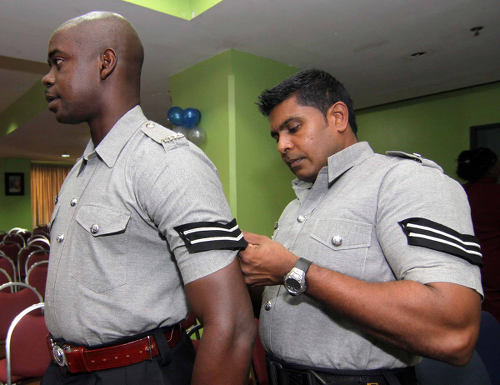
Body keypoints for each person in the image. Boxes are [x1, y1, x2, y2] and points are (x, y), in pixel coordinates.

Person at [41, 11, 255, 385]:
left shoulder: (166, 161)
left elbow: (232, 325)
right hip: (63, 371)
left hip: (136, 372)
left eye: (58, 63)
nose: (47, 77)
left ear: (105, 63)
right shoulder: (81, 170)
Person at [239, 69, 483, 385]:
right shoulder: (296, 205)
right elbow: (293, 304)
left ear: (338, 117)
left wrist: (294, 270)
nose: (282, 145)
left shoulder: (405, 181)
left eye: (293, 128)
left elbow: (455, 332)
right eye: (276, 136)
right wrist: (245, 270)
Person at [457, 147, 500, 322]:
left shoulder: (458, 193)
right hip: (495, 266)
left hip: (466, 264)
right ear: (489, 167)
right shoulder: (495, 194)